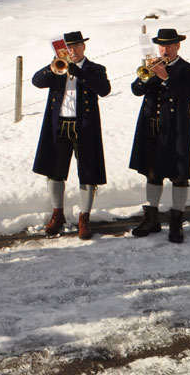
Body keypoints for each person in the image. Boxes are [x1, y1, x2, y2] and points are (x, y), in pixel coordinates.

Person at [32, 31, 111, 238]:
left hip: (84, 127)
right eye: (69, 48)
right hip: (59, 126)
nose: (73, 51)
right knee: (55, 171)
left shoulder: (95, 69)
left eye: (76, 46)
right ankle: (57, 214)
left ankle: (84, 217)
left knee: (87, 172)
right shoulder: (59, 67)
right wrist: (52, 67)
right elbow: (36, 81)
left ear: (84, 48)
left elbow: (104, 89)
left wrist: (81, 73)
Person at [129, 29, 190, 243]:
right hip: (151, 127)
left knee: (179, 175)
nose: (165, 49)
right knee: (152, 172)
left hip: (177, 128)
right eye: (162, 45)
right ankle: (151, 218)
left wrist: (166, 77)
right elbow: (136, 90)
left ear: (178, 46)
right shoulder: (152, 66)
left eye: (169, 45)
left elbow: (188, 95)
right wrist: (147, 76)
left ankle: (177, 222)